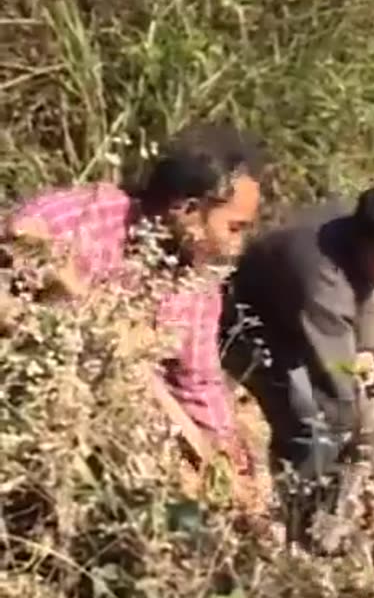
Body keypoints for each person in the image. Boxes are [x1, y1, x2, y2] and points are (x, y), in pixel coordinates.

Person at [5, 122, 268, 478]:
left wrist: (223, 454)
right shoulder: (77, 220)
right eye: (234, 228)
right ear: (186, 209)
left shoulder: (199, 285)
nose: (236, 246)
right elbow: (17, 252)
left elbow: (198, 381)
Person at [221, 184, 374, 548]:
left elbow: (370, 295)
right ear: (365, 241)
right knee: (314, 421)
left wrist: (365, 349)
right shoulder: (322, 280)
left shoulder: (362, 240)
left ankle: (329, 508)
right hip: (247, 325)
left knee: (346, 414)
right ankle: (301, 528)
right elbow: (338, 380)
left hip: (299, 319)